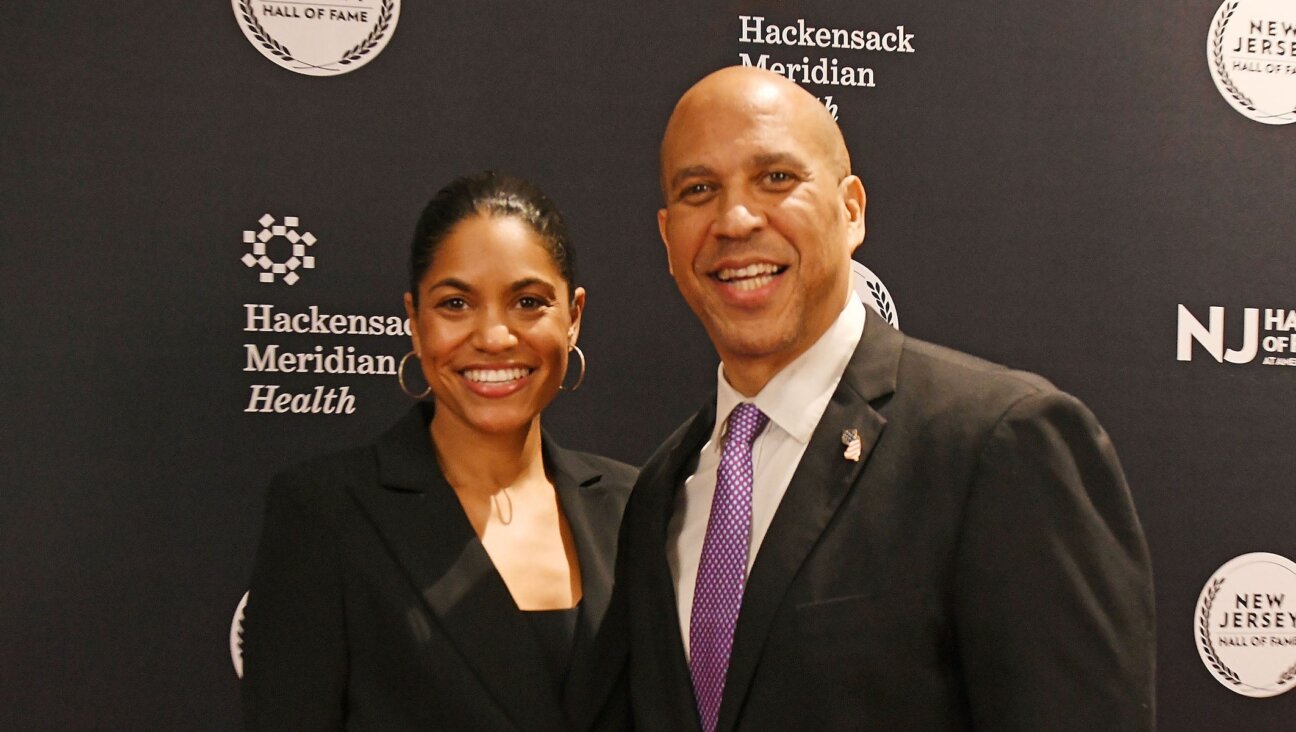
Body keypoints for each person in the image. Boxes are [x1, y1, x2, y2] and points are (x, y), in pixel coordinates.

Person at [615, 66, 1155, 730]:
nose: (735, 219)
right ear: (669, 241)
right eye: (700, 189)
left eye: (776, 178)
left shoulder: (998, 445)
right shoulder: (658, 493)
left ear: (851, 211)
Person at [240, 172, 636, 730]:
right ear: (415, 321)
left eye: (527, 301)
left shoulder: (636, 508)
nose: (495, 336)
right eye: (456, 303)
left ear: (573, 317)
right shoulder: (325, 515)